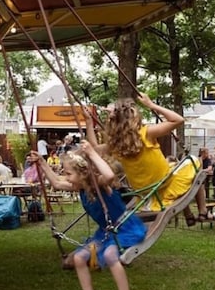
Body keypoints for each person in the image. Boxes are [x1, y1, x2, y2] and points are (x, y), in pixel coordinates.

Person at [38, 143, 143, 290]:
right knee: (78, 258)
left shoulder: (98, 185)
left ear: (82, 173)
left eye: (68, 173)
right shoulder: (78, 187)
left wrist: (92, 153)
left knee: (112, 255)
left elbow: (110, 176)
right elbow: (55, 183)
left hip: (124, 227)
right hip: (106, 231)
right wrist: (42, 163)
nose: (66, 176)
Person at [85, 93, 200, 227]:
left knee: (172, 165)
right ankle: (202, 211)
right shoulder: (146, 133)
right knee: (192, 160)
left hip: (142, 189)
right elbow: (178, 120)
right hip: (161, 182)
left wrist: (88, 121)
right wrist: (151, 105)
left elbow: (94, 148)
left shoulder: (115, 144)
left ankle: (189, 213)